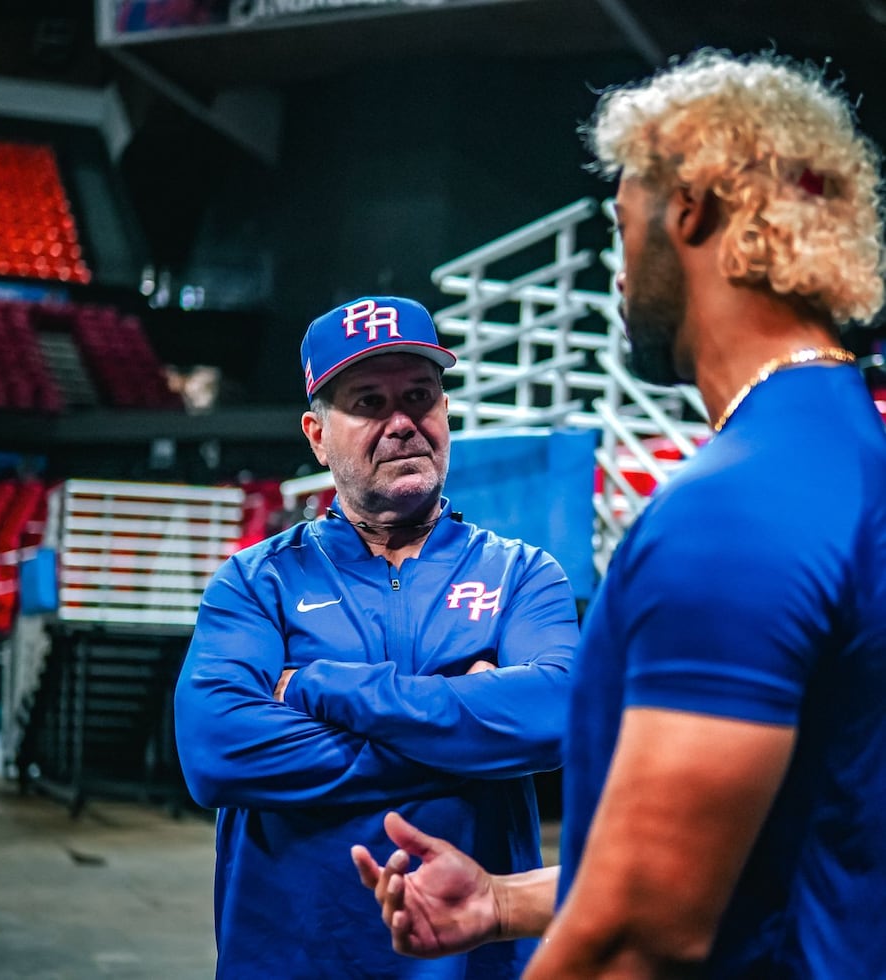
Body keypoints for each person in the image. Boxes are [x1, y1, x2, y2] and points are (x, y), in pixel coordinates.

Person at [352, 49, 886, 978]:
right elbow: (780, 839)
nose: (617, 262)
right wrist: (504, 899)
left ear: (690, 209)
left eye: (622, 219)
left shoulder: (735, 512)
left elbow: (645, 930)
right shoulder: (848, 454)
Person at [174, 294, 580, 978]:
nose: (402, 423)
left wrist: (314, 687)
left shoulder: (522, 574)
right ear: (316, 434)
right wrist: (467, 733)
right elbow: (216, 751)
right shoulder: (256, 582)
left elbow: (559, 716)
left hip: (473, 960)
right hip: (293, 957)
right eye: (367, 403)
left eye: (420, 395)